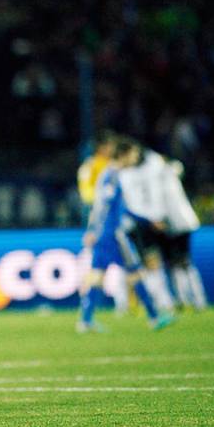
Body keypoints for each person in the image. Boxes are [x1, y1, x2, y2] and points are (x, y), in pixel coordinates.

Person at [78, 138, 175, 333]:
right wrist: (95, 230)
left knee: (97, 276)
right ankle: (154, 317)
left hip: (103, 234)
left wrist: (92, 230)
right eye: (133, 153)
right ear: (123, 155)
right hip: (114, 234)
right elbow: (105, 207)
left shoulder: (111, 175)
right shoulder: (113, 176)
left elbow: (109, 208)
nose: (135, 157)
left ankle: (85, 321)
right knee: (136, 272)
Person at [119, 142, 177, 311]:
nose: (136, 156)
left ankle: (130, 304)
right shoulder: (124, 175)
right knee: (147, 264)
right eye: (133, 152)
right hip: (139, 223)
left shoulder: (131, 172)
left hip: (140, 223)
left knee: (140, 265)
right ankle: (160, 301)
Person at [77, 131, 128, 314]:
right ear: (102, 147)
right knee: (99, 268)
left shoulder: (116, 167)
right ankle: (88, 308)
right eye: (110, 146)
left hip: (115, 221)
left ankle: (124, 305)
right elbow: (87, 194)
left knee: (107, 268)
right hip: (99, 222)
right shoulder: (91, 166)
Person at [159, 158, 208, 311]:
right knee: (181, 263)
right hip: (182, 222)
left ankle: (190, 299)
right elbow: (178, 167)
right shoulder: (171, 173)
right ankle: (194, 299)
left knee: (179, 263)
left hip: (175, 224)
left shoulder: (160, 178)